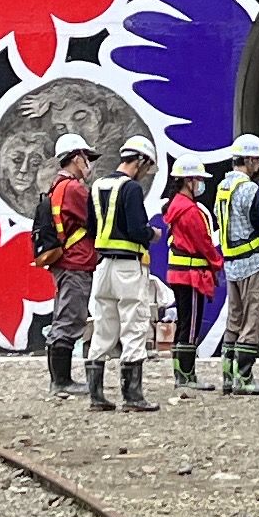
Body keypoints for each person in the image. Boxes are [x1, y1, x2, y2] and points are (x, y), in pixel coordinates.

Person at [82, 135, 164, 412]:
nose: (145, 174)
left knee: (104, 327)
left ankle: (96, 395)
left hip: (102, 266)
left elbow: (90, 226)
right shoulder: (130, 190)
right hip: (129, 267)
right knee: (134, 325)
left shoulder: (97, 186)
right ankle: (132, 396)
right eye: (147, 167)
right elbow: (136, 228)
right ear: (140, 161)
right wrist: (152, 234)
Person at [209, 137, 259, 397]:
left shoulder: (222, 187)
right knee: (255, 319)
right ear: (248, 160)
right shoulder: (248, 189)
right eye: (257, 160)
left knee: (234, 320)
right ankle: (244, 377)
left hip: (232, 264)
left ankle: (228, 376)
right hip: (253, 263)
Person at [35, 132, 96, 400]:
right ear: (75, 157)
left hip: (66, 262)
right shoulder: (74, 189)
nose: (88, 163)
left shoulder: (57, 187)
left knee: (65, 316)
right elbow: (94, 221)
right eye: (85, 157)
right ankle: (61, 381)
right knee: (70, 319)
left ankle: (61, 380)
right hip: (75, 263)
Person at [158, 156, 224, 398]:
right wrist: (217, 263)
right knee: (191, 325)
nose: (200, 183)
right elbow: (204, 243)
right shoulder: (190, 210)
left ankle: (181, 375)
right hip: (191, 275)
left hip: (179, 274)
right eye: (197, 179)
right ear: (188, 180)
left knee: (184, 323)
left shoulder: (176, 206)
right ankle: (187, 376)